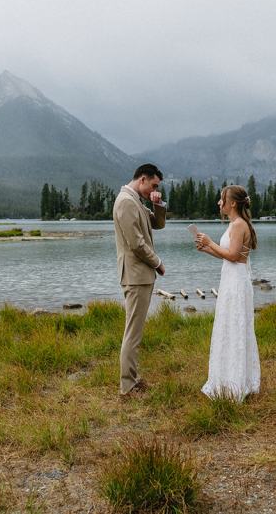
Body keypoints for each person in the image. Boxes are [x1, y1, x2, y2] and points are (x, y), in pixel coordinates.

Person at [195, 184, 261, 401]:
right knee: (229, 325)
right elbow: (232, 256)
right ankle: (228, 378)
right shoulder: (236, 224)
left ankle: (234, 382)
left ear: (232, 203)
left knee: (234, 326)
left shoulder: (238, 225)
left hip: (235, 282)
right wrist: (207, 249)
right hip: (232, 278)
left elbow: (233, 256)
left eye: (222, 198)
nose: (218, 202)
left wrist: (210, 241)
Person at [113, 163, 167, 396]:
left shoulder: (136, 200)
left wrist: (157, 204)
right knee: (133, 332)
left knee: (135, 330)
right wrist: (157, 262)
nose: (154, 189)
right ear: (143, 179)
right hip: (135, 275)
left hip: (140, 276)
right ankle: (128, 386)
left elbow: (158, 224)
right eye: (153, 185)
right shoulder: (126, 201)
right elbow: (136, 243)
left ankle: (133, 379)